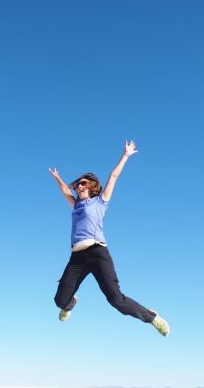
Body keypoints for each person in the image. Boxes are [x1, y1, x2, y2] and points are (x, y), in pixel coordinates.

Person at [49, 140, 169, 336]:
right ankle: (70, 304)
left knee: (115, 300)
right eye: (77, 183)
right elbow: (64, 191)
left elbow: (113, 176)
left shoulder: (100, 202)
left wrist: (125, 155)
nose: (78, 186)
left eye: (82, 183)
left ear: (91, 187)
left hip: (98, 253)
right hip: (77, 258)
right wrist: (57, 177)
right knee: (60, 301)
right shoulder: (76, 205)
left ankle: (152, 317)